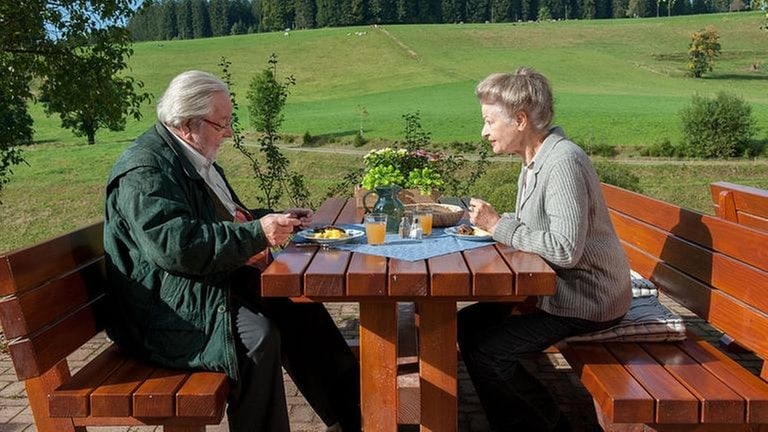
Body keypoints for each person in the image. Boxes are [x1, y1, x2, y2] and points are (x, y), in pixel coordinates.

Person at [103, 70, 361, 432]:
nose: (228, 132)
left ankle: (358, 420)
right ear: (186, 123)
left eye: (229, 121)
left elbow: (222, 220)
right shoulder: (145, 170)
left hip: (197, 288)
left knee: (300, 307)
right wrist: (257, 232)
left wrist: (273, 219)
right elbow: (177, 247)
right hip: (163, 313)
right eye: (221, 123)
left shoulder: (190, 156)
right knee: (258, 339)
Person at [459, 67, 632, 431]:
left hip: (587, 299)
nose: (484, 131)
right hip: (557, 290)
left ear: (520, 120)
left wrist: (498, 225)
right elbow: (541, 225)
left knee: (488, 352)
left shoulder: (562, 162)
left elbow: (565, 249)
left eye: (490, 121)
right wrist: (496, 221)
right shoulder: (536, 158)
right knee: (465, 325)